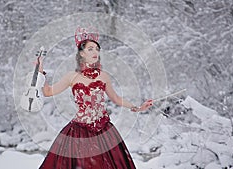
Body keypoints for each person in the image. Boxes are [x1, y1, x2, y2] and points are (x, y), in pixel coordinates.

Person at [38, 27, 153, 169]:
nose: (95, 52)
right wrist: (40, 71)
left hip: (103, 130)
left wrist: (138, 107)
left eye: (97, 49)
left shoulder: (103, 76)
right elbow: (48, 92)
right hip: (79, 132)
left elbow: (116, 98)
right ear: (81, 53)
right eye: (90, 49)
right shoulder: (71, 76)